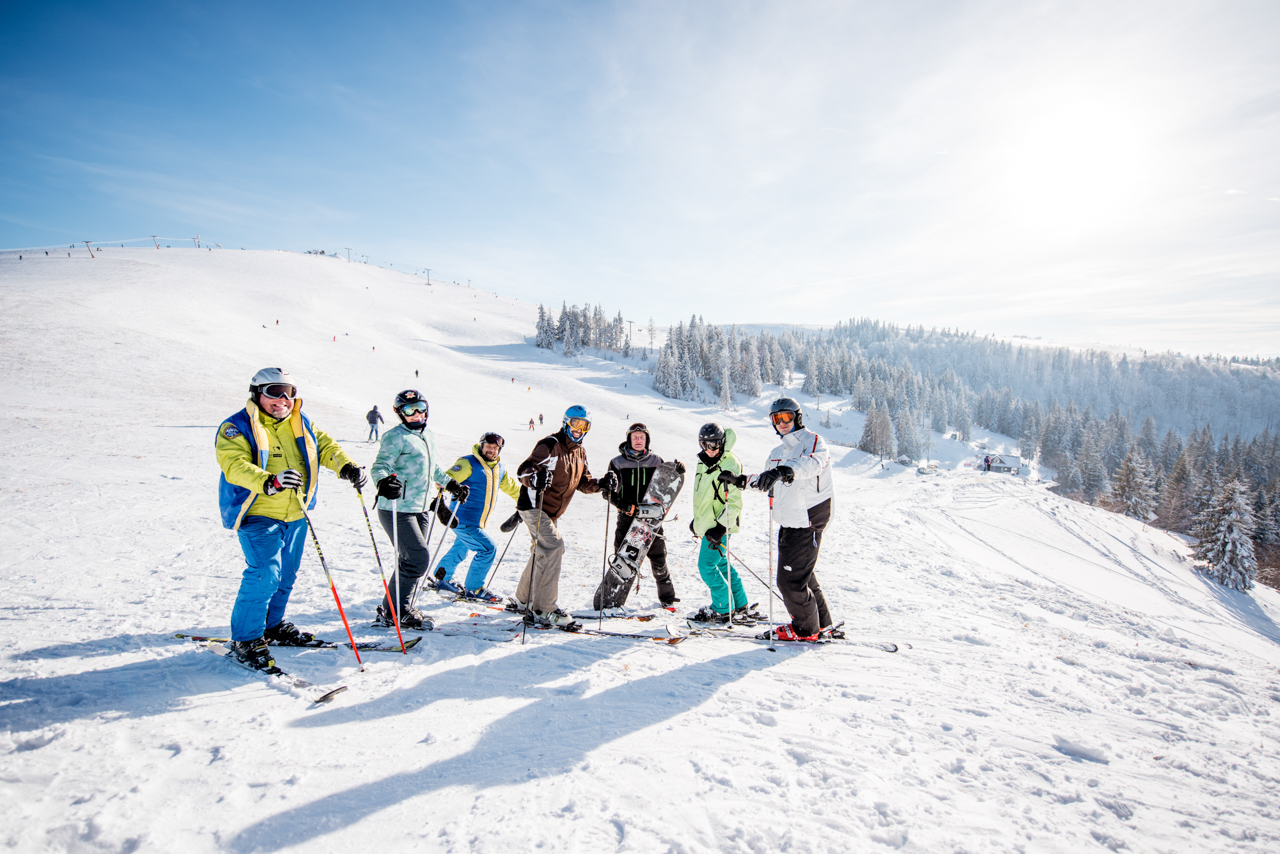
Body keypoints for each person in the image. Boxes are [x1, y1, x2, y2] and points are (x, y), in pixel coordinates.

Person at [215, 368, 365, 669]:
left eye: (289, 392)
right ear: (257, 393)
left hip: (296, 513)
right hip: (258, 513)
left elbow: (324, 446)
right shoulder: (237, 426)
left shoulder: (301, 421)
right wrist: (269, 481)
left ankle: (271, 626)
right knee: (264, 574)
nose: (283, 399)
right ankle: (245, 639)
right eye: (274, 391)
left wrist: (345, 466)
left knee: (286, 575)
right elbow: (234, 464)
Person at [369, 390, 468, 629]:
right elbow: (380, 465)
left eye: (420, 407)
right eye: (408, 410)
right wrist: (383, 482)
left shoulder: (428, 435)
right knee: (417, 558)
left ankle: (391, 609)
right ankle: (398, 610)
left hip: (421, 508)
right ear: (399, 413)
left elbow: (432, 469)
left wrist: (450, 483)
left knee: (409, 560)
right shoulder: (395, 436)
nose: (416, 414)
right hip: (397, 508)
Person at [741, 398, 836, 642]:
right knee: (803, 575)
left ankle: (806, 629)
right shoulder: (777, 453)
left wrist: (786, 470)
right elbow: (766, 479)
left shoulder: (813, 442)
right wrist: (741, 480)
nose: (782, 423)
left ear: (798, 418)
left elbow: (814, 464)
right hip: (788, 520)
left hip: (807, 519)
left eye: (787, 417)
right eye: (776, 419)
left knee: (790, 581)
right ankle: (823, 623)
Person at [513, 405, 617, 626]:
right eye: (575, 423)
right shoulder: (550, 444)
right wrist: (535, 478)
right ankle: (544, 609)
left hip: (551, 513)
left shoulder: (580, 452)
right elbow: (524, 470)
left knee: (542, 551)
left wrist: (601, 484)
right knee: (554, 546)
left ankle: (524, 600)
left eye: (584, 425)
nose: (578, 429)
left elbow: (583, 482)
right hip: (534, 506)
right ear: (565, 423)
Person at [603, 423, 683, 608]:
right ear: (629, 439)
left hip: (651, 520)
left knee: (659, 559)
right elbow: (608, 492)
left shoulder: (656, 461)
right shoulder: (617, 463)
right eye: (635, 437)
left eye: (642, 437)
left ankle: (668, 599)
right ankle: (613, 599)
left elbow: (666, 486)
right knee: (622, 560)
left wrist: (676, 471)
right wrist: (623, 505)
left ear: (647, 439)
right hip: (626, 517)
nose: (638, 440)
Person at [434, 432, 521, 600]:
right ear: (481, 445)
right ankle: (474, 589)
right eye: (488, 447)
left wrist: (525, 502)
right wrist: (448, 485)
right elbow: (444, 480)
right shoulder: (468, 463)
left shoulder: (499, 469)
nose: (491, 450)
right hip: (462, 519)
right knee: (488, 549)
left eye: (495, 448)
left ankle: (441, 578)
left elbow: (512, 488)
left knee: (460, 548)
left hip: (476, 521)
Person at [689, 423, 750, 623]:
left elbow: (734, 502)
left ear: (722, 443)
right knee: (722, 564)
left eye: (714, 445)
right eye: (705, 444)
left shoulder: (729, 462)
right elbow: (704, 496)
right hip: (709, 525)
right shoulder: (703, 462)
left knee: (706, 565)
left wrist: (721, 528)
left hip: (720, 527)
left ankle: (723, 607)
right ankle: (739, 603)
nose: (709, 449)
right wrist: (698, 521)